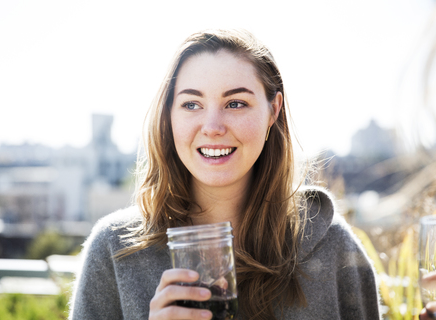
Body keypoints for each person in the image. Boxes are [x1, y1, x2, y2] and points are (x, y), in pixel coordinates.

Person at [68, 29, 381, 319]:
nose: (213, 127)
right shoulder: (115, 248)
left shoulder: (334, 248)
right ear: (169, 116)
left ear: (274, 110)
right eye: (192, 105)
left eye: (235, 103)